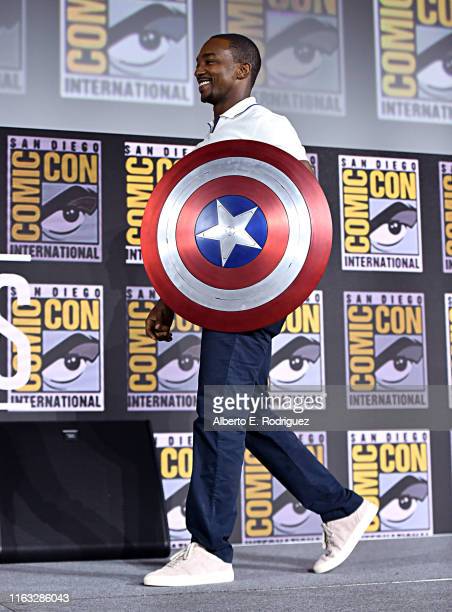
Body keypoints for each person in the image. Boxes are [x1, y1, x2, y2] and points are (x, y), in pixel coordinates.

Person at [143, 34, 377, 588]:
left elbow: (299, 212)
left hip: (255, 296)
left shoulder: (267, 127)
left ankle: (210, 550)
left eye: (211, 62)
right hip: (228, 296)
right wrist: (170, 297)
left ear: (243, 68)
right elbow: (198, 229)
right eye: (199, 61)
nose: (199, 70)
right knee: (245, 416)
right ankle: (341, 509)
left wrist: (269, 289)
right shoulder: (221, 132)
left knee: (218, 414)